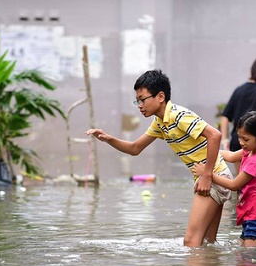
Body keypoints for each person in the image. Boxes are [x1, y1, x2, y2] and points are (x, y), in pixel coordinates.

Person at [85, 69, 232, 247]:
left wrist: (207, 176)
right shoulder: (160, 123)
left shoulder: (178, 115)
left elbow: (215, 136)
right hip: (216, 177)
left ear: (160, 96)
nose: (139, 105)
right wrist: (108, 139)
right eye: (137, 101)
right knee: (208, 244)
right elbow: (135, 148)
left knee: (191, 242)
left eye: (143, 99)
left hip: (213, 178)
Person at [192, 111, 256, 247]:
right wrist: (207, 151)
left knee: (252, 261)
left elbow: (234, 185)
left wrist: (207, 174)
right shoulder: (253, 150)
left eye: (246, 139)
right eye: (239, 138)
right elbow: (229, 156)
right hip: (255, 214)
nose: (241, 143)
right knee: (246, 256)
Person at [220, 55, 256, 173]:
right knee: (255, 180)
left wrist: (225, 140)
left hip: (238, 140)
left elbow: (225, 116)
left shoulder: (239, 90)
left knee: (240, 178)